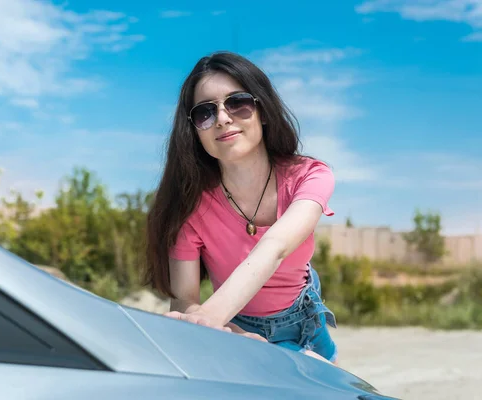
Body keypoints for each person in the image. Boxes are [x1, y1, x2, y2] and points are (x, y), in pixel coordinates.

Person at [143, 51, 338, 364]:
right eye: (205, 113)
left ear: (262, 110)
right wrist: (219, 327)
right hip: (238, 330)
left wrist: (208, 318)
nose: (222, 118)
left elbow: (275, 245)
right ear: (195, 131)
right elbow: (183, 299)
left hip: (308, 322)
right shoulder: (191, 208)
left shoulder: (309, 176)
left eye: (237, 102)